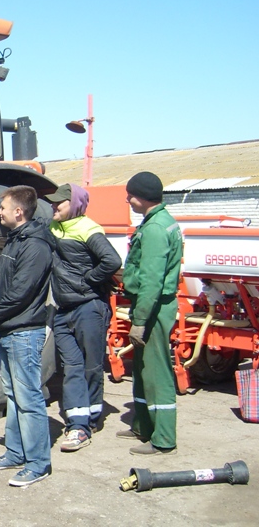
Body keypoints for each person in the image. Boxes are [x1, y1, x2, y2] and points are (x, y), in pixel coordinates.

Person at [0, 183, 54, 487]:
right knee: (12, 394)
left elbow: (21, 291)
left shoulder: (35, 246)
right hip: (10, 330)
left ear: (18, 213)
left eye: (4, 208)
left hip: (25, 332)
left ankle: (38, 463)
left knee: (29, 397)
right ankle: (15, 452)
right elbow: (5, 211)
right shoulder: (19, 236)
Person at [47, 183, 121, 452]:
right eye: (53, 203)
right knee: (71, 367)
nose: (54, 207)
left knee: (91, 366)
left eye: (60, 203)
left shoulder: (88, 229)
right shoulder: (54, 228)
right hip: (64, 310)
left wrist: (88, 280)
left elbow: (112, 261)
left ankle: (88, 421)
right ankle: (79, 422)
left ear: (75, 204)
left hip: (89, 308)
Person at [119, 171, 182, 455]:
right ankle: (143, 426)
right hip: (150, 306)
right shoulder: (157, 222)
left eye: (130, 195)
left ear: (141, 196)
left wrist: (140, 321)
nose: (128, 200)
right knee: (144, 370)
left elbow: (152, 281)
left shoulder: (156, 229)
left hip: (154, 308)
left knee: (157, 373)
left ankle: (164, 439)